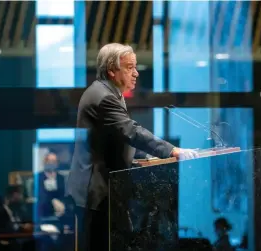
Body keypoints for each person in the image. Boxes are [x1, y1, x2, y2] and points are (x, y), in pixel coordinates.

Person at [66, 43, 199, 251]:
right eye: (129, 67)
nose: (136, 73)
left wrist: (146, 156)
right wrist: (171, 151)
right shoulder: (103, 97)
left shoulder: (110, 92)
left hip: (105, 189)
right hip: (95, 192)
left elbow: (116, 138)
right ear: (111, 69)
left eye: (135, 67)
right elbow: (131, 131)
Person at [37, 152, 66, 217]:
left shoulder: (61, 177)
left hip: (60, 211)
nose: (52, 163)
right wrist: (53, 201)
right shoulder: (39, 177)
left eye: (54, 161)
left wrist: (61, 203)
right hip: (44, 211)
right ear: (45, 162)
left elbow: (64, 194)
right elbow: (41, 195)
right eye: (49, 161)